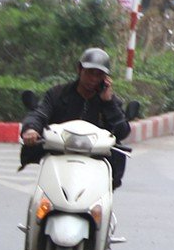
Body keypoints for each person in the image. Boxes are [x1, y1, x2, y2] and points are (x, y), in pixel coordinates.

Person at [21, 47, 132, 191]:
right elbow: (40, 114)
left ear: (105, 79)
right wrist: (31, 129)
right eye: (89, 73)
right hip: (58, 158)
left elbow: (122, 131)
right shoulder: (57, 94)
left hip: (95, 162)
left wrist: (108, 103)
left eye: (99, 75)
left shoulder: (110, 102)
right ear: (79, 70)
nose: (93, 78)